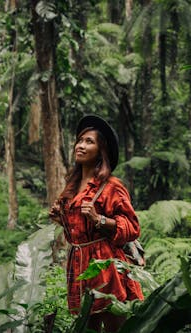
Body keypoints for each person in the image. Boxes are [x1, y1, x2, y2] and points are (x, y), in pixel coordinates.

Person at [49, 115, 144, 332]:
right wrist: (60, 218)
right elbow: (77, 230)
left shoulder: (112, 186)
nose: (80, 146)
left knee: (114, 326)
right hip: (78, 265)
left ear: (101, 151)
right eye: (80, 140)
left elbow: (132, 227)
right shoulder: (72, 187)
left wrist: (99, 219)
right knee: (87, 326)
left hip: (106, 266)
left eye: (89, 141)